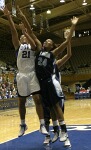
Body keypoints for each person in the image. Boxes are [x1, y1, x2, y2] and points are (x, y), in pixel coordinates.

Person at [3, 6, 48, 137]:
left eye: (24, 35)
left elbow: (31, 37)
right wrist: (9, 17)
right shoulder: (18, 47)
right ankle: (23, 124)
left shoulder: (34, 46)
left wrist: (25, 25)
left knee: (37, 99)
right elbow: (13, 32)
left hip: (32, 74)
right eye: (22, 36)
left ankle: (42, 124)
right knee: (21, 101)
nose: (23, 37)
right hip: (22, 75)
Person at [43, 42, 72, 147]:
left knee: (60, 115)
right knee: (51, 113)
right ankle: (56, 131)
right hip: (48, 90)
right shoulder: (43, 63)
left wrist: (68, 42)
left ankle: (66, 138)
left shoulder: (56, 63)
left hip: (57, 91)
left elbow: (68, 55)